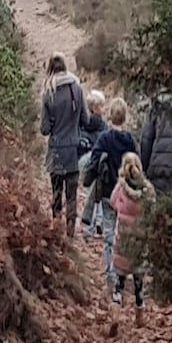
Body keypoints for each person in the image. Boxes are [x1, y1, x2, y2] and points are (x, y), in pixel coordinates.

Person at [87, 101, 138, 297]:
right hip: (125, 195)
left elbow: (93, 162)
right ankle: (124, 272)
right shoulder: (130, 140)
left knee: (109, 234)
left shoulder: (104, 138)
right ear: (125, 117)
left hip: (108, 193)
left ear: (109, 115)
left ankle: (111, 274)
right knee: (123, 234)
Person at [37, 54, 87, 235]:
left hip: (56, 150)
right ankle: (70, 230)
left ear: (50, 68)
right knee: (72, 194)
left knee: (56, 191)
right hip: (73, 149)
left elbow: (44, 129)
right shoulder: (77, 88)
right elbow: (86, 119)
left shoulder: (48, 92)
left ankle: (56, 229)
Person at [108, 152, 155, 309]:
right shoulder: (147, 189)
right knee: (138, 275)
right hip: (139, 238)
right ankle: (139, 306)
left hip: (123, 237)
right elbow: (153, 208)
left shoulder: (121, 188)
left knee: (120, 273)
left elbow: (113, 202)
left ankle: (117, 301)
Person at [77, 92, 108, 239]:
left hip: (92, 165)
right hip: (87, 163)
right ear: (95, 108)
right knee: (100, 172)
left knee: (98, 182)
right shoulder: (100, 126)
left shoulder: (81, 122)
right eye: (102, 106)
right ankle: (95, 221)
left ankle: (95, 222)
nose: (104, 108)